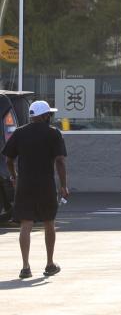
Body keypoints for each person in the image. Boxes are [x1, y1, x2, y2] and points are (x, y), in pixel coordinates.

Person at [1, 100, 68, 279]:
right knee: (49, 223)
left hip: (25, 184)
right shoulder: (53, 133)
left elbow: (8, 158)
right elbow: (60, 160)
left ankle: (25, 267)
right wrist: (63, 185)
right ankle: (49, 264)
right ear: (45, 116)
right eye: (49, 115)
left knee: (26, 224)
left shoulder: (20, 132)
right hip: (45, 184)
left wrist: (14, 176)